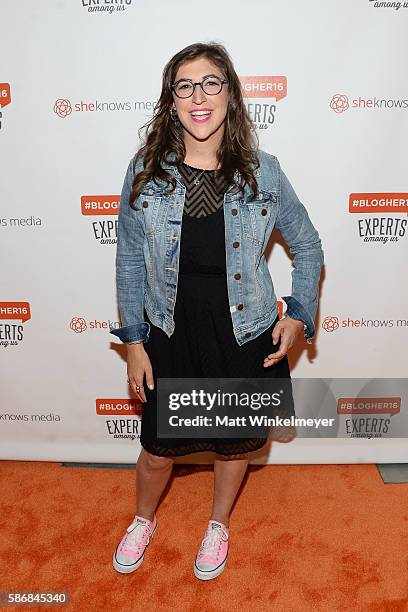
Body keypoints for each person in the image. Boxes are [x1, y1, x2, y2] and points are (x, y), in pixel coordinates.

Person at [109, 41, 324, 581]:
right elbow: (130, 262)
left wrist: (298, 313)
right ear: (171, 101)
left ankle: (218, 523)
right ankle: (143, 518)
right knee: (159, 449)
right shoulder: (145, 173)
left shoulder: (263, 172)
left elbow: (309, 246)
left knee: (233, 442)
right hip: (170, 328)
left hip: (242, 327)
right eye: (185, 86)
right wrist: (134, 344)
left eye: (211, 83)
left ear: (230, 93)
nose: (198, 96)